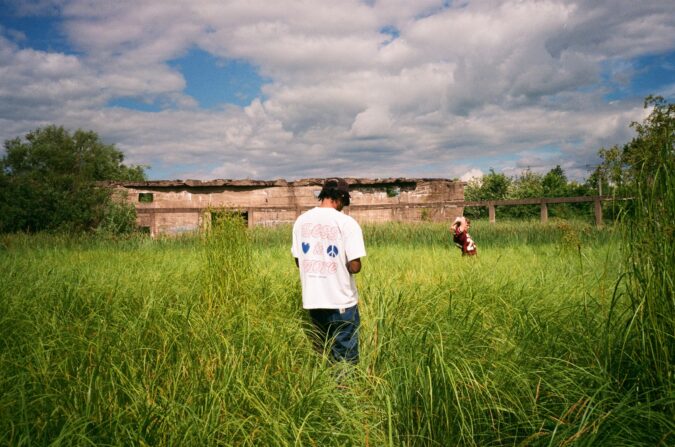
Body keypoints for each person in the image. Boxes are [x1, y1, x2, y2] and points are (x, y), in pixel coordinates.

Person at [291, 178, 366, 364]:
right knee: (345, 357)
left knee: (322, 353)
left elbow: (299, 261)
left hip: (313, 301)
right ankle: (345, 391)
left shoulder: (301, 221)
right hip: (341, 301)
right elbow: (355, 267)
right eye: (345, 202)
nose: (344, 207)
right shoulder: (347, 223)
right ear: (340, 198)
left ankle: (324, 390)